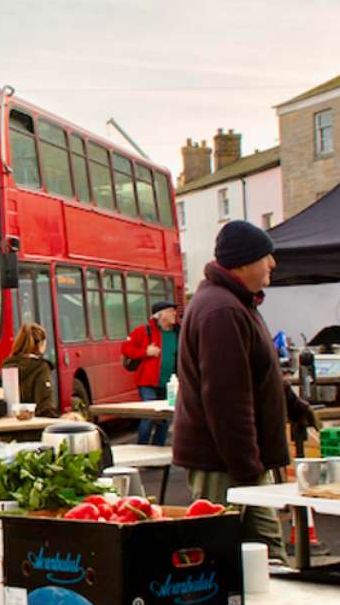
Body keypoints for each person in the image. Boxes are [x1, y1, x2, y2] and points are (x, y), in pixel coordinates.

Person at [173, 220, 318, 564]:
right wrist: (248, 470)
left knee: (262, 558)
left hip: (238, 462)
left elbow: (259, 373)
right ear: (243, 262)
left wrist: (294, 406)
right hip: (226, 464)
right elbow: (226, 401)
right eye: (266, 256)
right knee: (228, 559)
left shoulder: (237, 305)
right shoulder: (222, 311)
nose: (273, 264)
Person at [121, 300, 179, 444]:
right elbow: (125, 349)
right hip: (147, 383)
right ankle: (141, 448)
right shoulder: (143, 331)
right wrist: (145, 352)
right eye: (171, 311)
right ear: (161, 315)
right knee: (149, 416)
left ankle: (157, 450)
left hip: (169, 384)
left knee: (164, 419)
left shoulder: (178, 332)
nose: (174, 314)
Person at [6, 322, 61, 417]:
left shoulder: (7, 366)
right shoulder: (41, 368)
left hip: (9, 425)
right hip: (34, 426)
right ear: (40, 344)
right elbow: (46, 404)